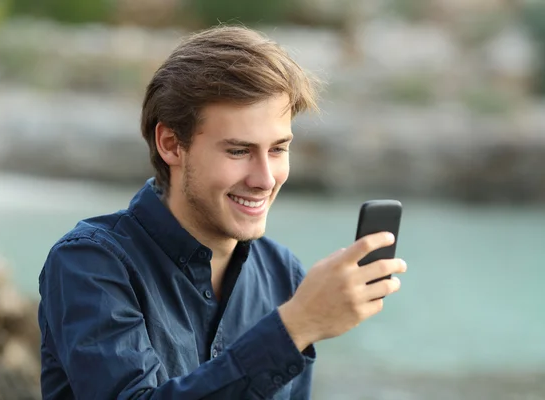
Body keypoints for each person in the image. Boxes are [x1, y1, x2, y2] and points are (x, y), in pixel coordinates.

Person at [37, 25, 407, 400]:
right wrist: (295, 326)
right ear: (171, 144)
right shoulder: (89, 263)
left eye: (278, 149)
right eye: (238, 151)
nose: (265, 179)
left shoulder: (284, 274)